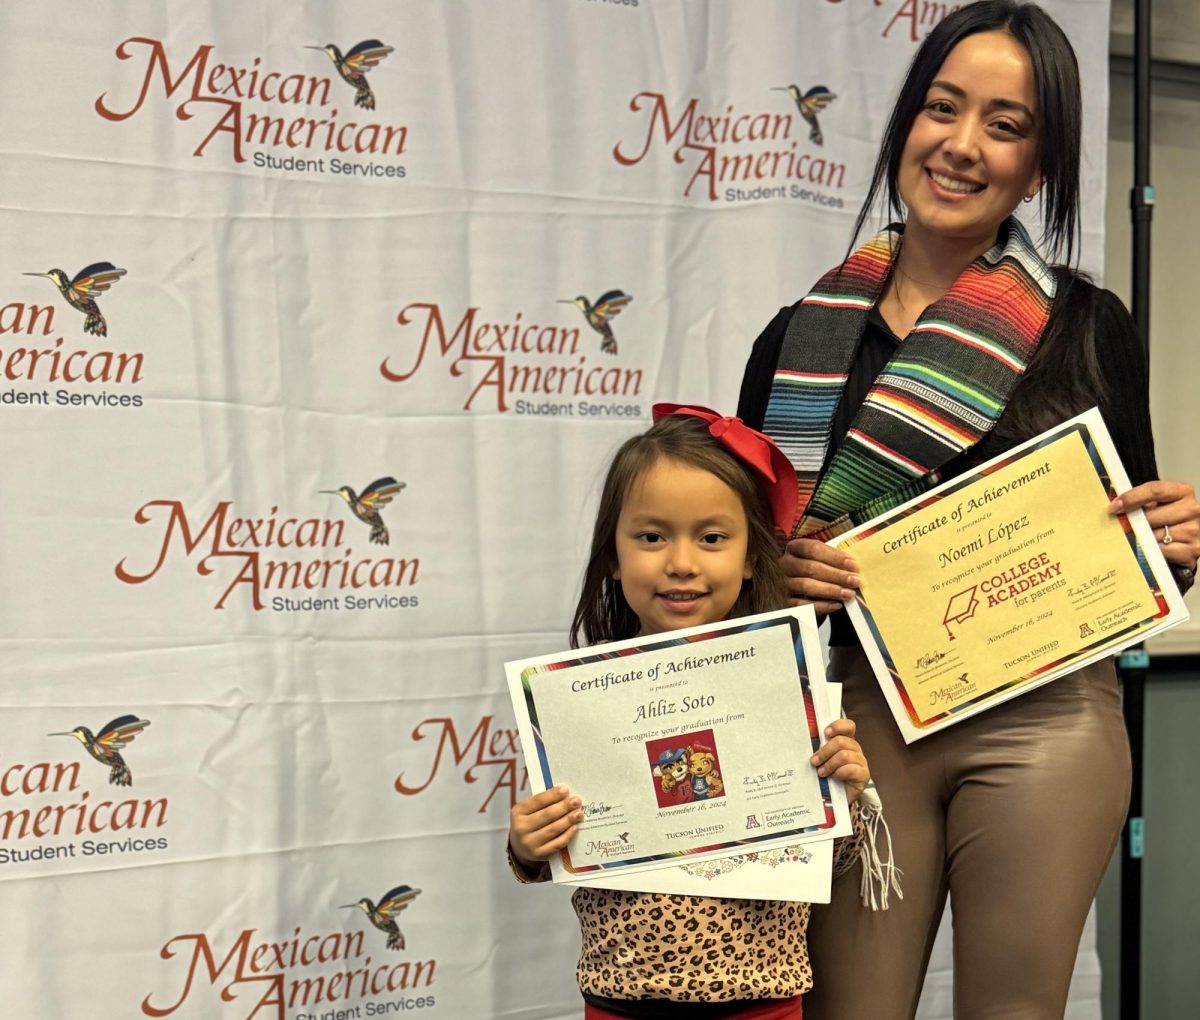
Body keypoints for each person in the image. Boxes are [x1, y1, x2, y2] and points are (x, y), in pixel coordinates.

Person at [735, 3, 1200, 1018]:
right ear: (905, 123)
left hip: (1045, 721)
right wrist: (778, 574)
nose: (960, 144)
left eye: (1005, 123)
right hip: (856, 722)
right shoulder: (795, 338)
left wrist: (1177, 539)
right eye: (942, 109)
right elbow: (739, 566)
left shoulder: (1087, 327)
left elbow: (1143, 556)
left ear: (1041, 167)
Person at [507, 405, 872, 1020]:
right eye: (651, 537)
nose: (681, 562)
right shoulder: (585, 700)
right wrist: (526, 844)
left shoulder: (783, 687)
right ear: (614, 556)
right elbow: (558, 846)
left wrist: (848, 791)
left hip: (764, 1001)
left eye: (711, 537)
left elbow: (832, 861)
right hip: (620, 1000)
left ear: (754, 555)